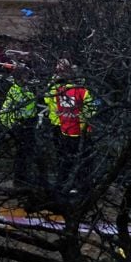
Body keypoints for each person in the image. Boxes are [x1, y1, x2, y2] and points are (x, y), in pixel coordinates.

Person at [46, 60, 95, 195]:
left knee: (65, 160)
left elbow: (50, 102)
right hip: (80, 130)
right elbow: (91, 111)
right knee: (83, 160)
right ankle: (81, 186)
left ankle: (62, 185)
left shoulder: (59, 90)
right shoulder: (82, 91)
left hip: (65, 129)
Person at [0, 69, 45, 189]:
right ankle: (20, 180)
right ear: (18, 78)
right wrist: (12, 125)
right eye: (25, 77)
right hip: (20, 125)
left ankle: (25, 178)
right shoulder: (16, 91)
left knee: (28, 153)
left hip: (29, 124)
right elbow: (6, 110)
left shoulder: (26, 89)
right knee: (22, 154)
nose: (27, 79)